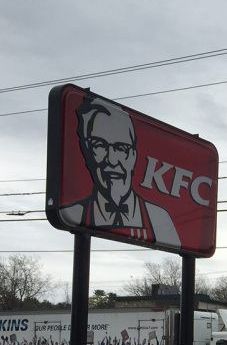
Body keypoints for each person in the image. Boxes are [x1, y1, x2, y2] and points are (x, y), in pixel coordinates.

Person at [59, 95, 181, 249]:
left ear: (133, 156)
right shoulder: (72, 214)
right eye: (100, 145)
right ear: (88, 153)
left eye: (120, 148)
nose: (112, 160)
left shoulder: (160, 220)